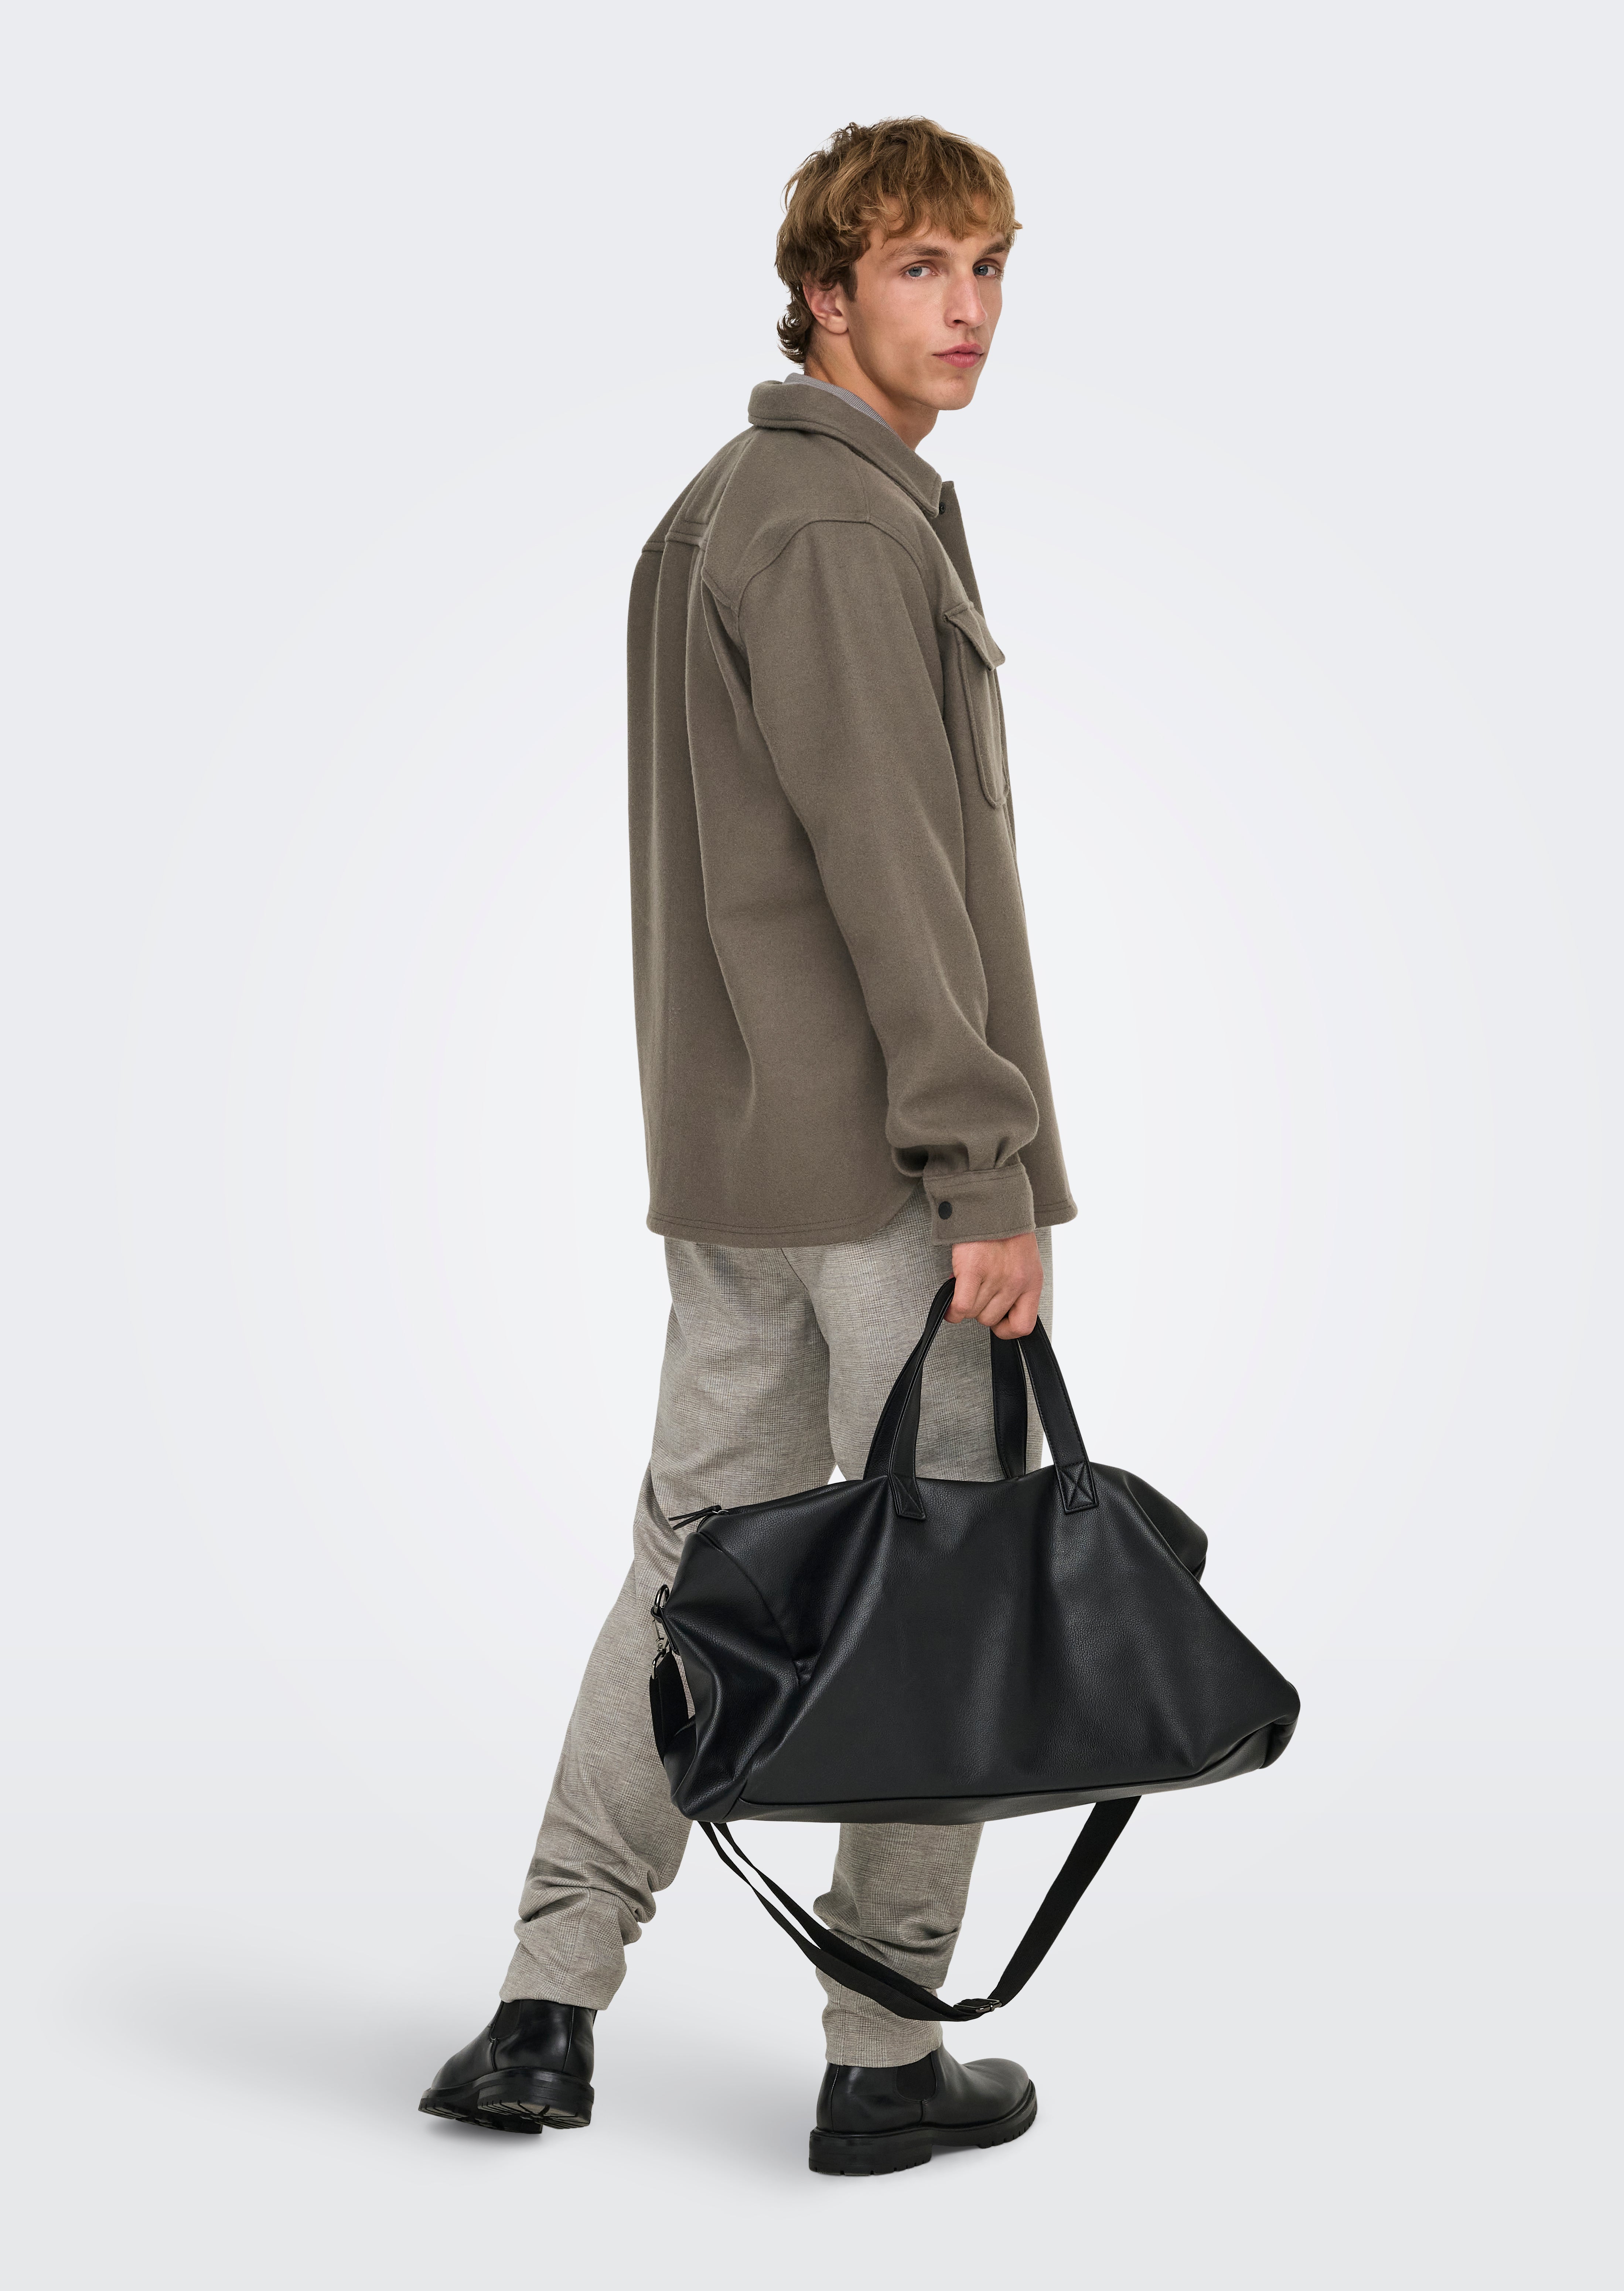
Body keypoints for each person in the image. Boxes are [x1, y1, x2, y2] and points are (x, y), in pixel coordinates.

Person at [419, 116, 1077, 2175]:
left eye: (988, 265)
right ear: (821, 290)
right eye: (919, 268)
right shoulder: (837, 531)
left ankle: (544, 2006)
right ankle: (885, 2056)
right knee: (942, 1584)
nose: (966, 309)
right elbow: (895, 879)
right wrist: (983, 1173)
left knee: (695, 1571)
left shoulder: (721, 510)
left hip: (736, 1176)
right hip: (888, 1183)